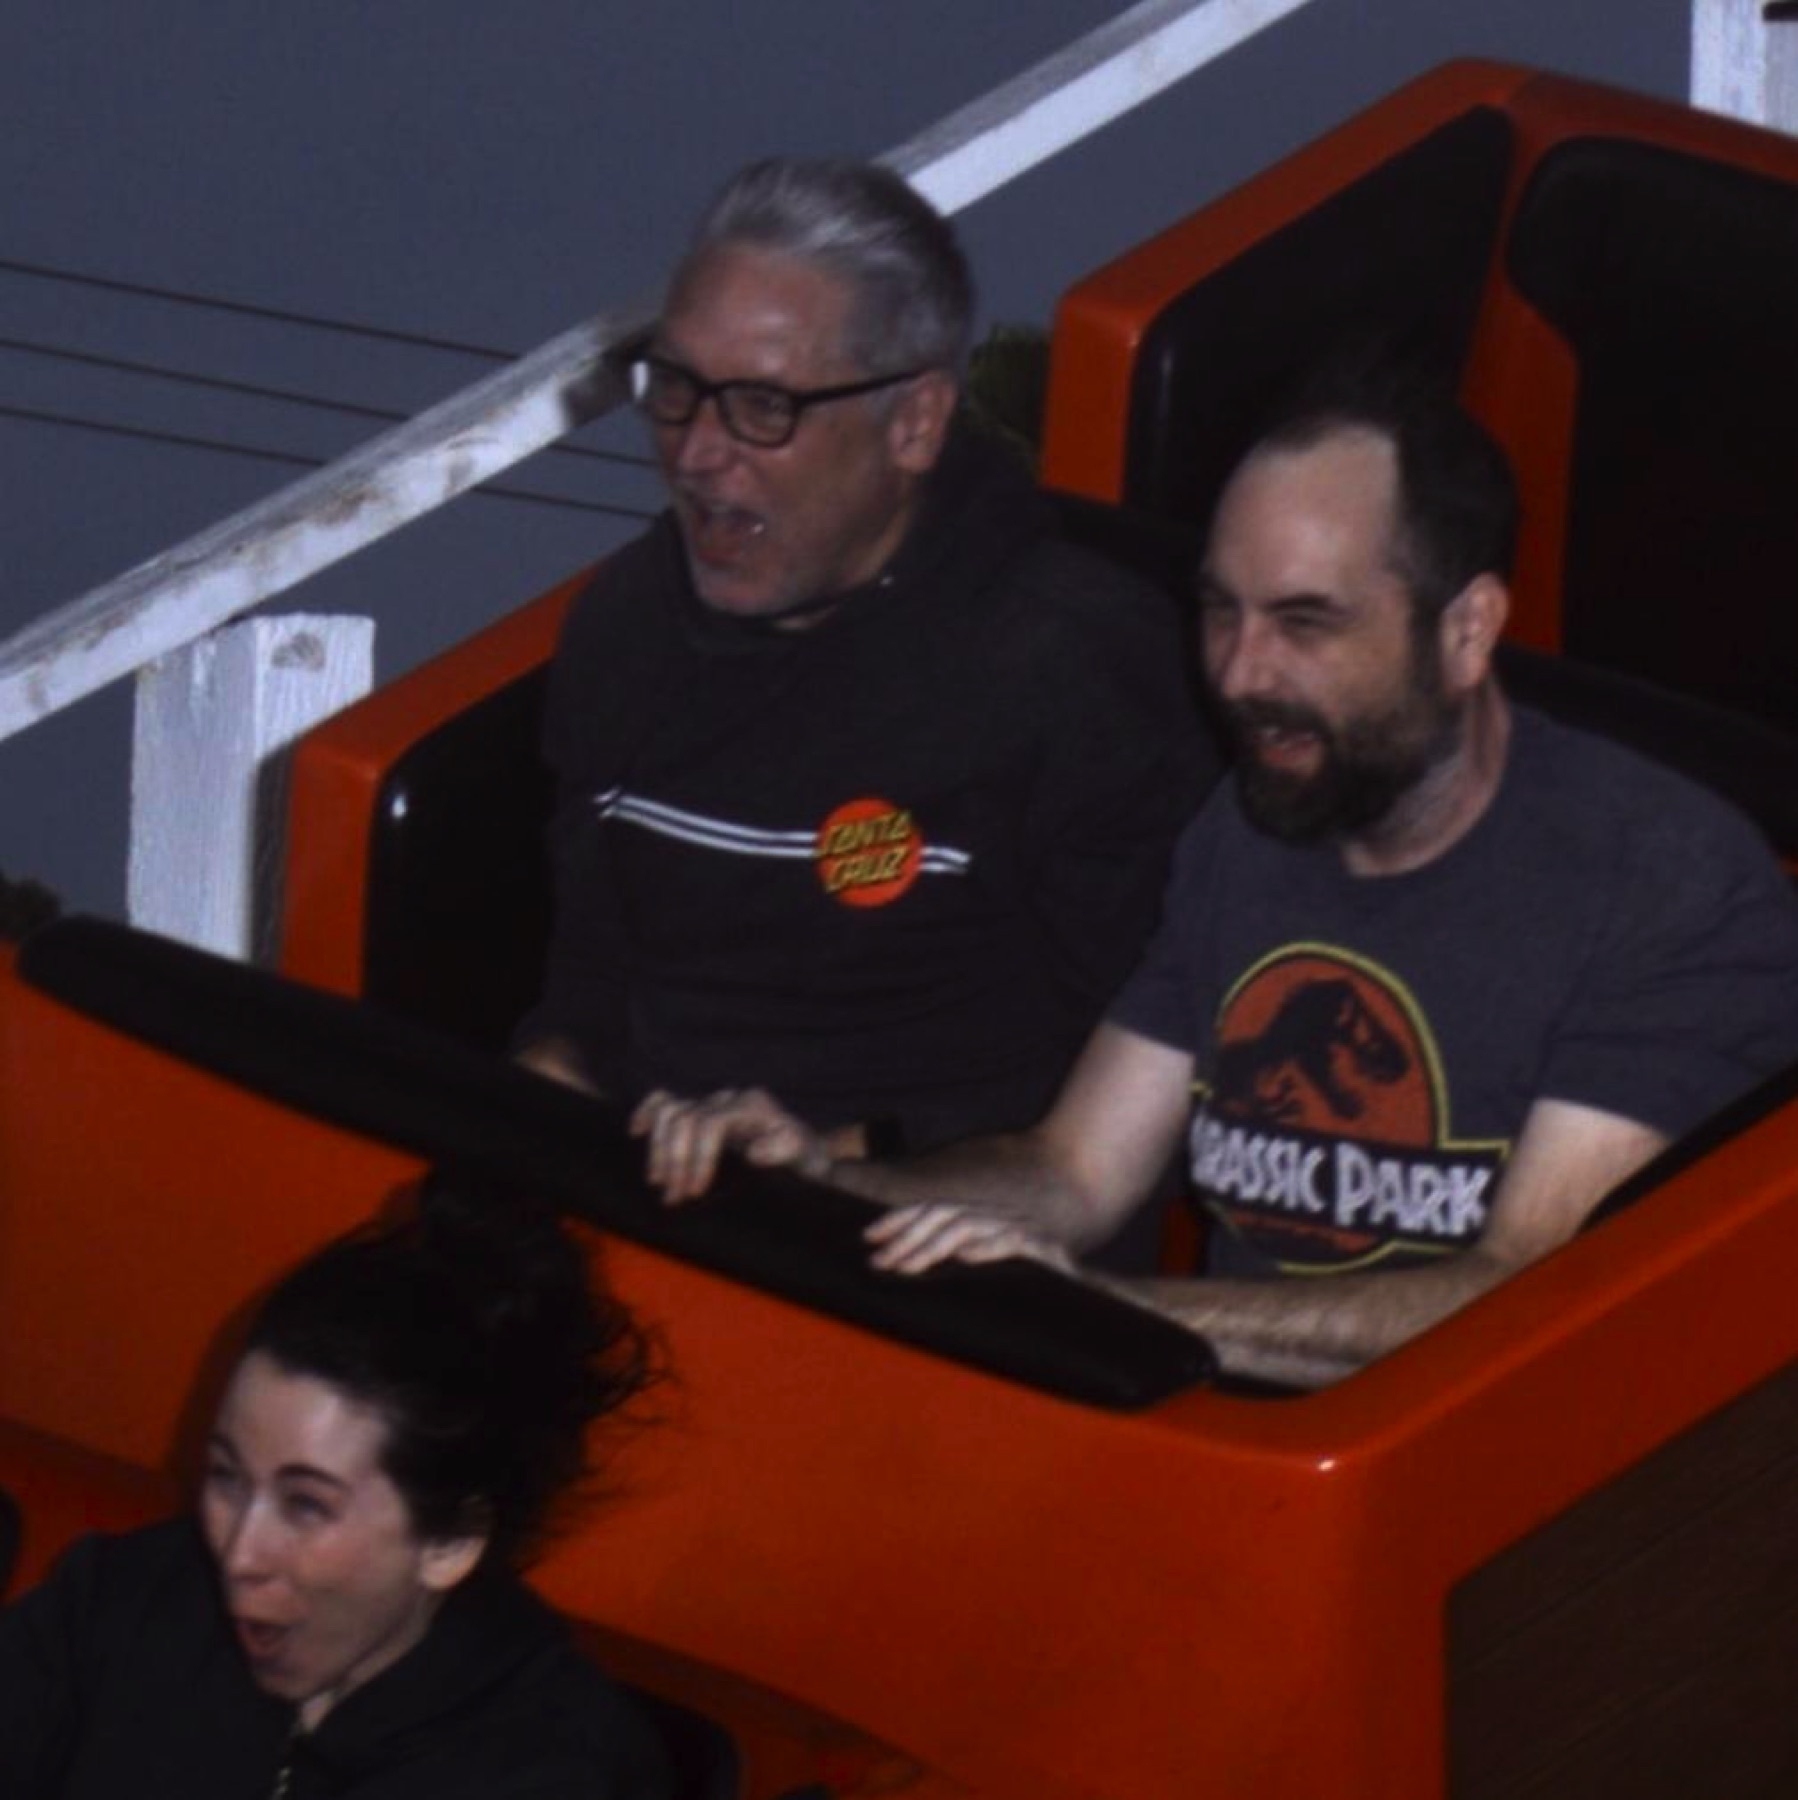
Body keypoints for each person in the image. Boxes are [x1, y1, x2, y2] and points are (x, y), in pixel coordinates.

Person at [630, 354, 1798, 1388]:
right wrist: (807, 1185)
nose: (1240, 674)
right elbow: (1074, 1173)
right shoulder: (1243, 832)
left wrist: (1108, 1307)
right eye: (1219, 613)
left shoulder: (1668, 883)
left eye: (1305, 623)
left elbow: (1524, 1303)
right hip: (1225, 1451)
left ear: (1466, 629)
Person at [515, 157, 1213, 1202]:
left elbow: (1151, 1070)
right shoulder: (625, 626)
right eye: (674, 389)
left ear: (916, 424)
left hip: (938, 1243)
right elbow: (581, 998)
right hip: (639, 1207)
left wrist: (836, 1160)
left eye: (760, 406)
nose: (698, 455)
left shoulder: (1076, 667)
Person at [0, 1178, 672, 1798]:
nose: (239, 1553)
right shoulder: (124, 1601)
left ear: (451, 1540)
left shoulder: (550, 1768)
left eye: (306, 1506)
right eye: (228, 1477)